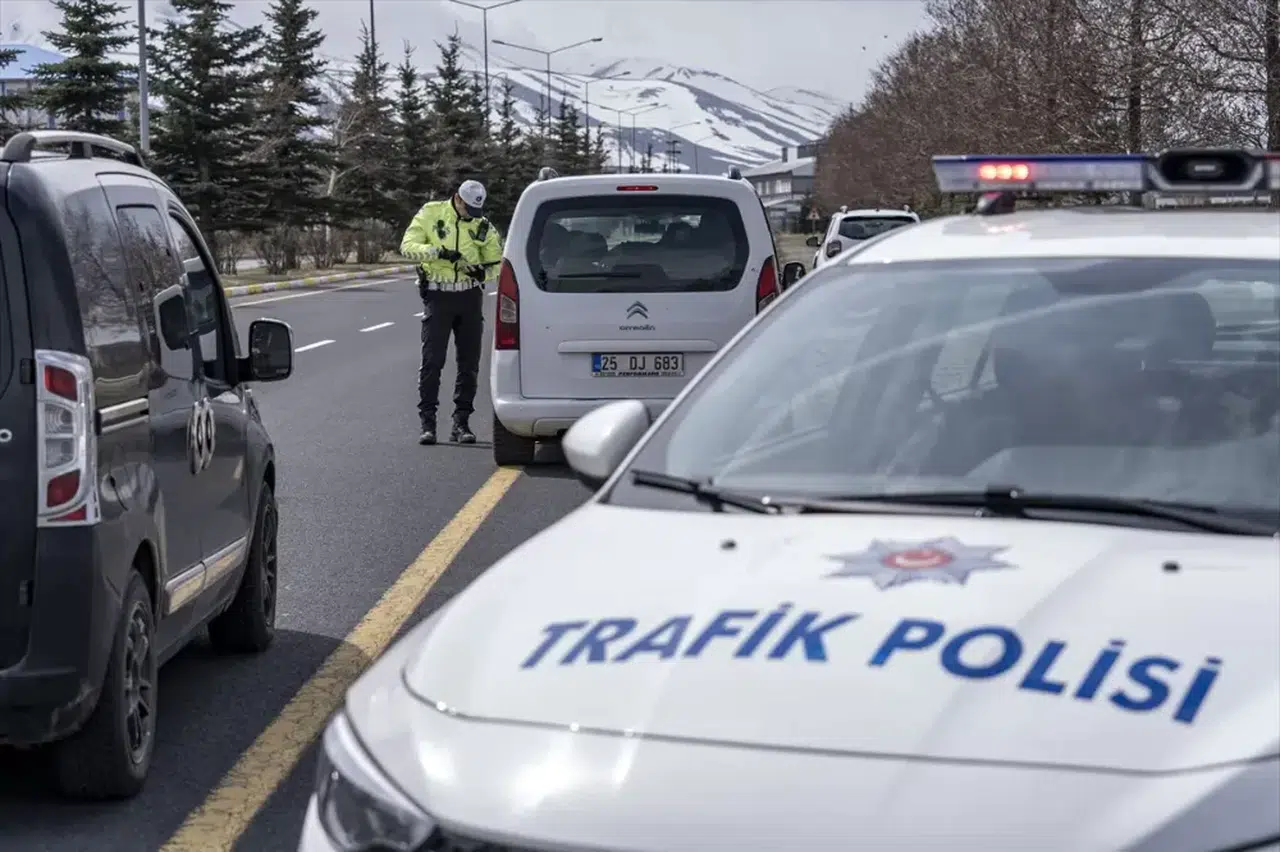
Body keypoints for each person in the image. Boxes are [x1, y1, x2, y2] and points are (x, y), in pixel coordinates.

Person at [400, 180, 502, 445]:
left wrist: (483, 271)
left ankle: (461, 423)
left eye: (475, 210)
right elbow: (408, 246)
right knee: (433, 361)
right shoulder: (431, 213)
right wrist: (437, 252)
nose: (471, 214)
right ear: (457, 199)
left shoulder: (483, 226)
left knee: (469, 364)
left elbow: (497, 262)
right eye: (467, 208)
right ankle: (428, 424)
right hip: (438, 295)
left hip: (469, 297)